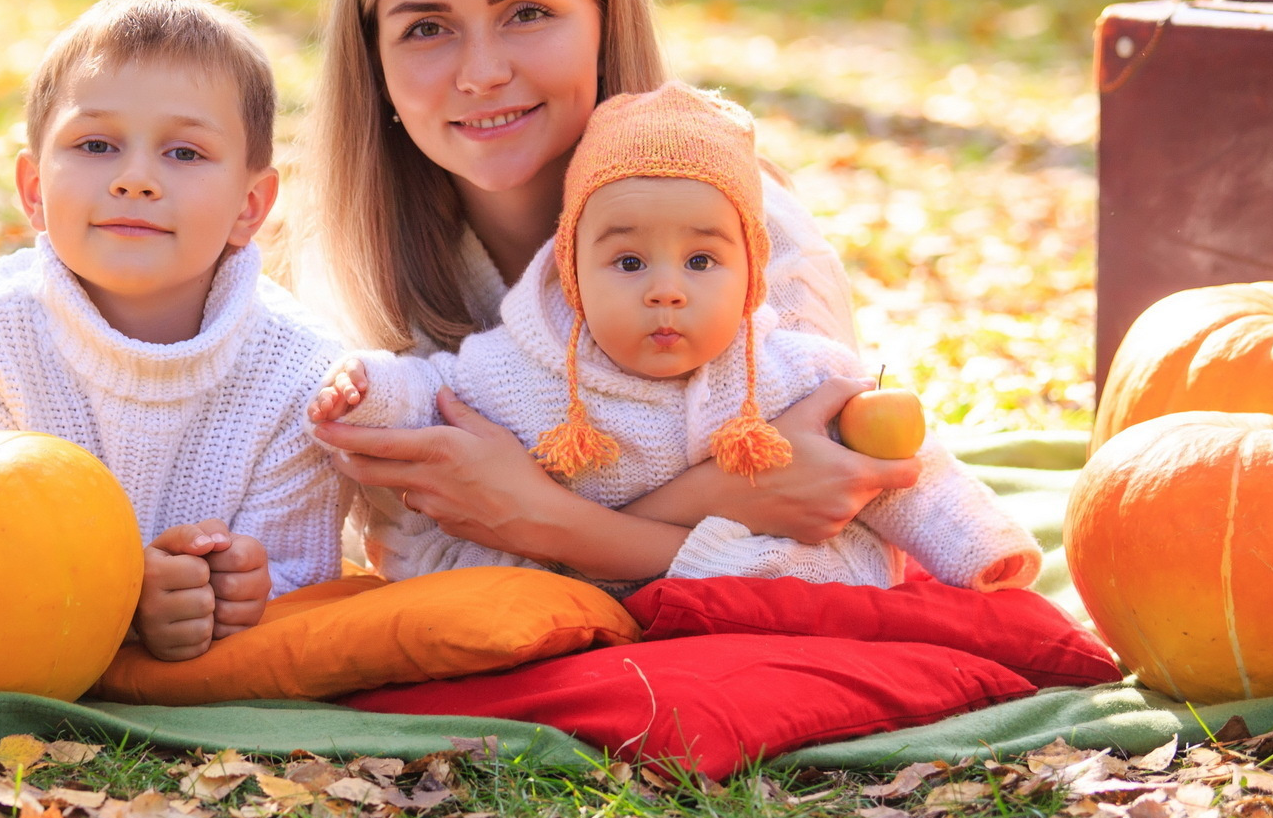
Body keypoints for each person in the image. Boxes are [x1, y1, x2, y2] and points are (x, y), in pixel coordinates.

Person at [298, 0, 923, 583]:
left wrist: (539, 518)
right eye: (427, 29)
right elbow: (420, 559)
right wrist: (715, 501)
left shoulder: (746, 225)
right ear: (377, 68)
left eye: (527, 12)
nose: (482, 72)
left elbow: (836, 529)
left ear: (604, 23)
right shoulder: (356, 289)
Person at [0, 0, 349, 661]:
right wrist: (117, 603)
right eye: (96, 144)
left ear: (250, 205)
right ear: (33, 191)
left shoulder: (304, 379)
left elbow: (301, 576)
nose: (136, 178)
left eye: (184, 154)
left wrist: (241, 594)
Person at [311, 82, 1041, 592]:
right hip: (569, 583)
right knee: (498, 589)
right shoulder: (528, 369)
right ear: (572, 275)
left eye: (701, 261)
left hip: (742, 572)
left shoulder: (794, 370)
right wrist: (369, 390)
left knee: (817, 576)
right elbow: (437, 395)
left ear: (752, 274)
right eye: (628, 262)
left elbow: (911, 472)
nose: (667, 289)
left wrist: (983, 547)